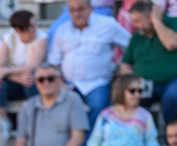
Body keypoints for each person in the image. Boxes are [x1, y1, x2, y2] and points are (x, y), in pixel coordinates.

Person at [48, 0, 130, 129]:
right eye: (73, 10)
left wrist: (122, 67)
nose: (77, 13)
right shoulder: (62, 30)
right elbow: (54, 62)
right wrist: (61, 84)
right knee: (55, 105)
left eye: (81, 9)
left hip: (96, 83)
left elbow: (130, 46)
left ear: (91, 9)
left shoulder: (107, 25)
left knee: (99, 106)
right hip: (68, 85)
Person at [120, 1, 177, 124]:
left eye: (137, 21)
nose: (134, 25)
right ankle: (135, 138)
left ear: (150, 18)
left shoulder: (175, 23)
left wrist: (157, 22)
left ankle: (173, 138)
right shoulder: (138, 35)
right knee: (126, 96)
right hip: (146, 85)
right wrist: (133, 80)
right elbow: (125, 64)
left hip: (176, 81)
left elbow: (171, 44)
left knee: (172, 97)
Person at [0, 10, 47, 118]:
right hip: (15, 80)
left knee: (30, 79)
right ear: (18, 30)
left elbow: (33, 66)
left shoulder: (42, 37)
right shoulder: (9, 37)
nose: (35, 29)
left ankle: (37, 118)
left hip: (32, 79)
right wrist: (18, 78)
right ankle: (3, 121)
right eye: (31, 27)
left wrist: (7, 70)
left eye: (36, 24)